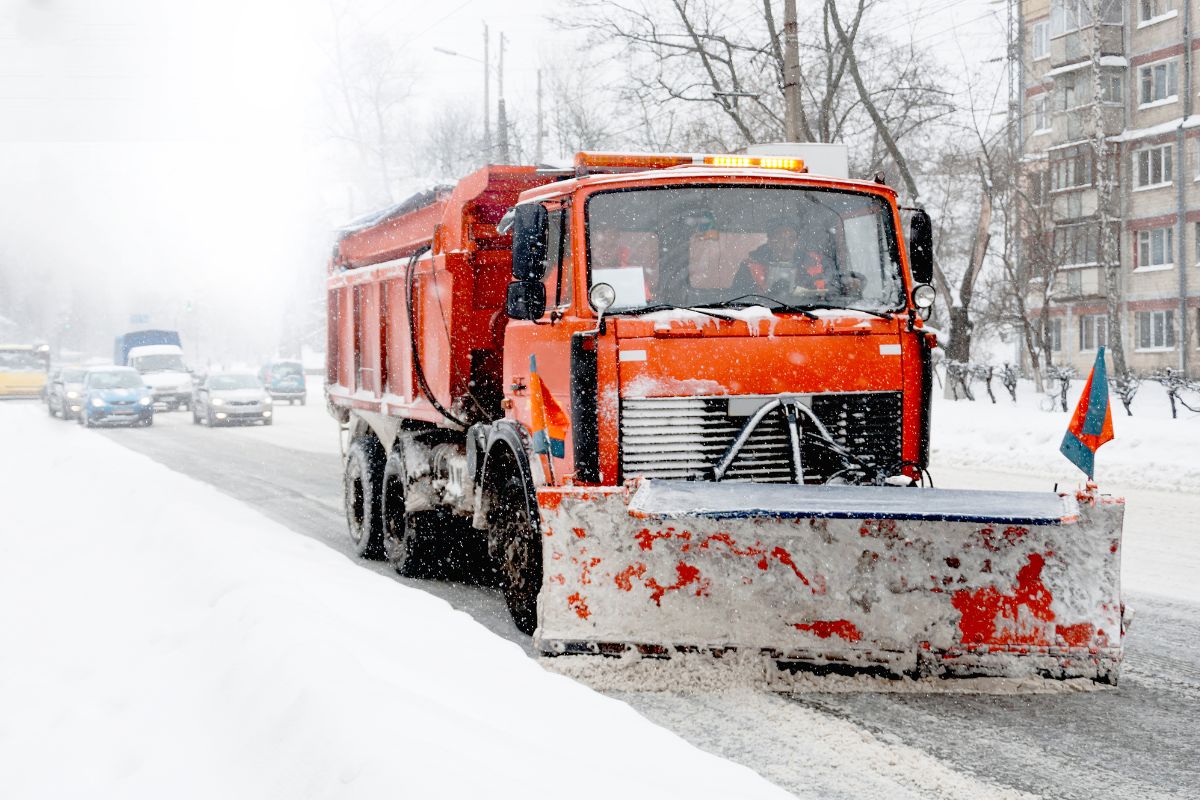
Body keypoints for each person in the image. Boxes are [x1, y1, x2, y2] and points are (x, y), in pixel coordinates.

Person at [731, 215, 862, 300]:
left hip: (812, 321)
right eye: (779, 239)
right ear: (770, 241)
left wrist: (847, 287)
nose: (785, 245)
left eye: (791, 239)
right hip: (762, 325)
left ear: (797, 241)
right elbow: (737, 301)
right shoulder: (749, 267)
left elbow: (834, 291)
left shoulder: (818, 263)